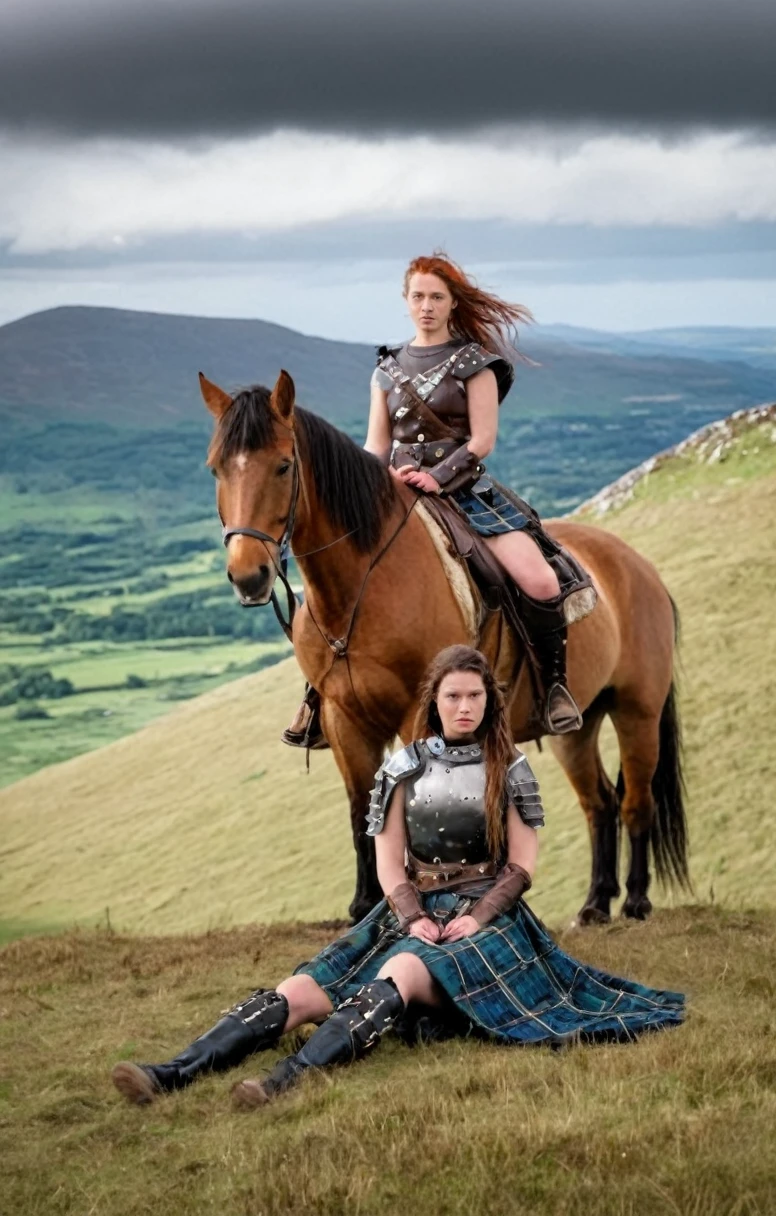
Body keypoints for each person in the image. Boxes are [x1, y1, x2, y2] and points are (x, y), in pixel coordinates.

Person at [112, 645, 684, 1110]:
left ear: (490, 700)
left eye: (475, 696)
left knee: (401, 972)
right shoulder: (402, 766)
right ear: (434, 701)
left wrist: (474, 918)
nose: (465, 707)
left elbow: (522, 865)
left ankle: (280, 1083)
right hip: (408, 909)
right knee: (302, 990)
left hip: (488, 918)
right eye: (453, 696)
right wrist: (411, 916)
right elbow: (388, 861)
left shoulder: (510, 767)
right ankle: (171, 1073)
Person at [282, 253, 588, 751]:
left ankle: (554, 687)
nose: (427, 306)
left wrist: (437, 477)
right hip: (394, 489)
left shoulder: (476, 364)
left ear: (452, 304)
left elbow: (482, 440)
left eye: (437, 297)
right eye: (418, 297)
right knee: (337, 581)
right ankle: (321, 694)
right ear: (406, 302)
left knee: (539, 579)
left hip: (466, 490)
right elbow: (376, 446)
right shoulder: (386, 369)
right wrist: (376, 479)